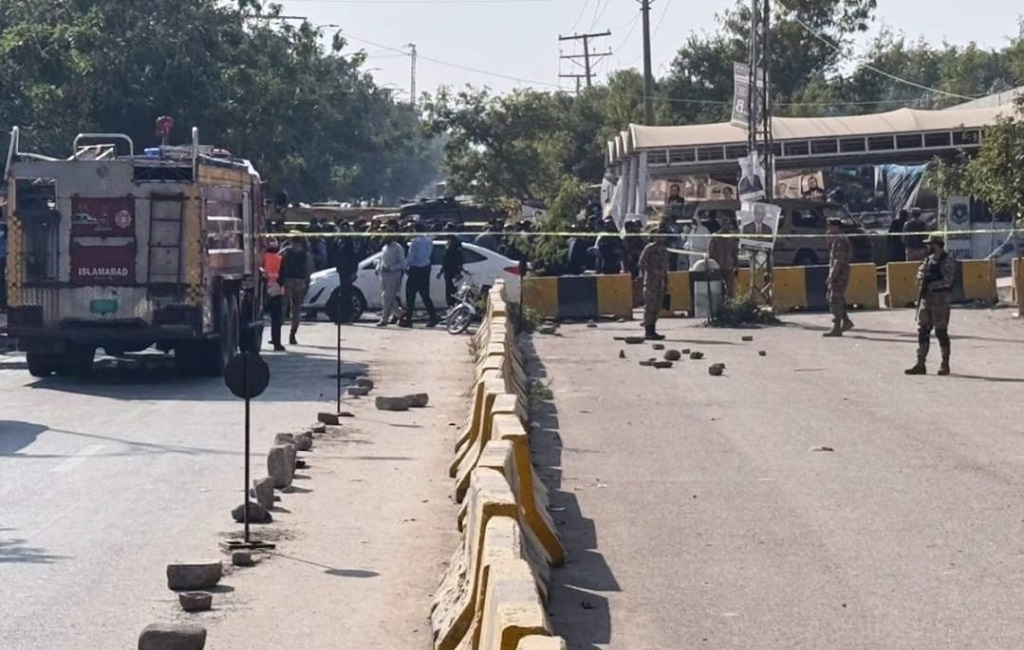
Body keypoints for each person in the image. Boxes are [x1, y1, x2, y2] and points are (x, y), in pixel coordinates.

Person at [905, 232, 956, 376]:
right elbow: (919, 273)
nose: (928, 247)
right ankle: (920, 363)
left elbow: (948, 280)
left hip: (940, 300)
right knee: (923, 331)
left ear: (936, 245)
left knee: (941, 332)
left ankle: (945, 364)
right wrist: (922, 279)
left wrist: (933, 285)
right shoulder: (928, 260)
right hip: (927, 300)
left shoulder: (947, 260)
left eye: (930, 244)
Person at [278, 235, 314, 345]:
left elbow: (276, 259)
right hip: (299, 282)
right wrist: (307, 283)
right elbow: (309, 269)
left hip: (288, 281)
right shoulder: (305, 254)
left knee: (282, 308)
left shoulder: (286, 251)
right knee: (296, 310)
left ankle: (277, 334)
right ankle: (292, 334)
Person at [822, 217, 854, 337]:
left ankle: (837, 327)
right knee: (836, 298)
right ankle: (845, 321)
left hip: (839, 273)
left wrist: (831, 275)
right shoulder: (837, 239)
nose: (828, 229)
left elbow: (838, 261)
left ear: (836, 227)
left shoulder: (839, 240)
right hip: (840, 272)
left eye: (830, 227)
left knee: (834, 299)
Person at [402, 224, 439, 328]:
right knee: (425, 294)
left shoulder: (415, 242)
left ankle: (408, 319)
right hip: (425, 268)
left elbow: (411, 257)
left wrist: (404, 267)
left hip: (416, 269)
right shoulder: (429, 241)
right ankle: (433, 316)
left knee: (410, 295)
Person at [638, 223, 669, 341]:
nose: (662, 237)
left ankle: (653, 330)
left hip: (660, 281)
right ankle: (648, 331)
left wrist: (666, 281)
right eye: (659, 235)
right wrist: (652, 271)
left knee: (657, 306)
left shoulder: (664, 250)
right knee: (650, 306)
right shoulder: (649, 248)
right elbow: (641, 263)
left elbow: (666, 267)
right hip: (651, 281)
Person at [707, 213, 739, 300]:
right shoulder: (715, 237)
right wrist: (711, 266)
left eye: (727, 223)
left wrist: (736, 266)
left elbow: (735, 253)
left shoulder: (732, 238)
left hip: (728, 266)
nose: (726, 225)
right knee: (718, 287)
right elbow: (711, 252)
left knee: (730, 288)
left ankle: (729, 304)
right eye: (724, 223)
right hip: (718, 266)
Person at [376, 236, 405, 327]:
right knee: (387, 298)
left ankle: (384, 319)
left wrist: (391, 268)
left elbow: (402, 263)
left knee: (387, 297)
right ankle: (401, 314)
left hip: (394, 275)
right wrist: (378, 268)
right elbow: (381, 260)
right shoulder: (384, 248)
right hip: (384, 275)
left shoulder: (398, 248)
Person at [262, 239, 285, 351]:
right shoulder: (280, 259)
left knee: (260, 318)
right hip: (276, 292)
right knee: (276, 320)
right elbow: (283, 276)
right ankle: (277, 343)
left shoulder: (262, 259)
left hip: (263, 292)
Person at [439, 235, 464, 308]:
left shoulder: (451, 251)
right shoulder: (457, 250)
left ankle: (451, 305)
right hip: (454, 272)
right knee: (453, 290)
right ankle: (453, 305)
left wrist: (441, 271)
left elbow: (446, 262)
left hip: (450, 272)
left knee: (450, 290)